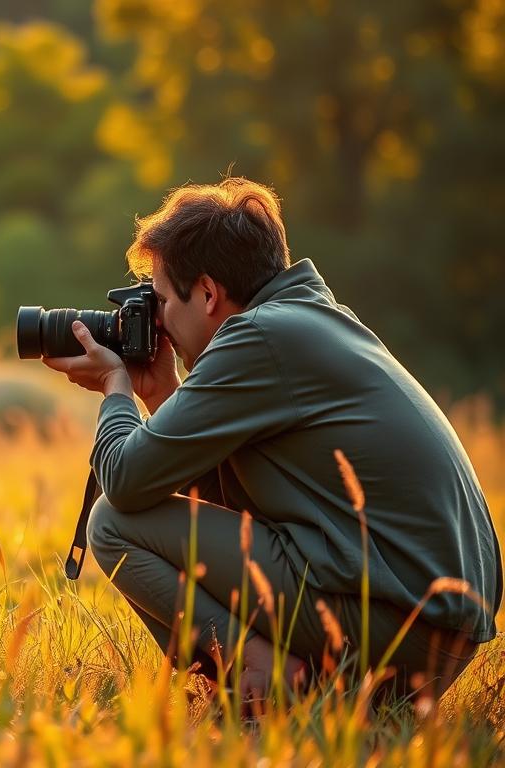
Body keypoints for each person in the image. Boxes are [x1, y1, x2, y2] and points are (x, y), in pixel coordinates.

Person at [42, 177, 503, 701]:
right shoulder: (306, 321)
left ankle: (268, 685)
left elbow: (124, 483)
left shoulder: (258, 338)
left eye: (165, 300)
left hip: (397, 629)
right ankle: (298, 686)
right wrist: (163, 391)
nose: (160, 322)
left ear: (210, 294)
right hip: (435, 635)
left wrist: (115, 387)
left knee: (112, 522)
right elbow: (226, 503)